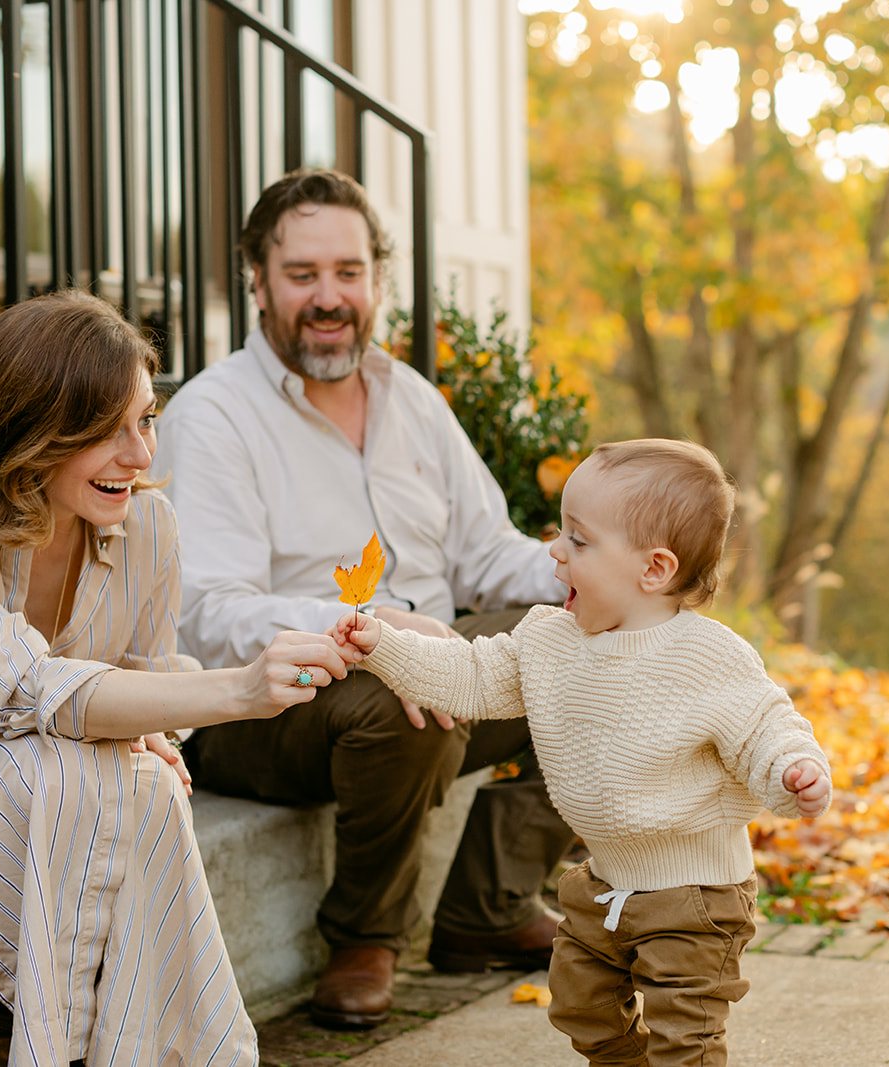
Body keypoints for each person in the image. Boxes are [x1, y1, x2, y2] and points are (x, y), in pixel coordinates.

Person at [0, 290, 352, 1067]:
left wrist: (145, 731)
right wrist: (238, 690)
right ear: (30, 429)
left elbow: (144, 692)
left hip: (53, 797)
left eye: (147, 418)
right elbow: (26, 692)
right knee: (60, 767)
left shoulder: (146, 523)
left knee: (135, 782)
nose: (142, 454)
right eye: (106, 431)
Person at [150, 168, 575, 1030]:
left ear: (377, 279)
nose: (328, 297)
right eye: (302, 275)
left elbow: (485, 550)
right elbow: (209, 612)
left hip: (426, 673)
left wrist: (582, 575)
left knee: (599, 636)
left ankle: (485, 904)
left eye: (348, 272)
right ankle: (365, 936)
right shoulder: (214, 416)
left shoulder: (412, 399)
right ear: (258, 281)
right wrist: (368, 631)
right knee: (401, 683)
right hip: (263, 711)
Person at [334, 438, 833, 1066]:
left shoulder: (709, 657)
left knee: (688, 1033)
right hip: (603, 883)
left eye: (579, 539)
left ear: (653, 569)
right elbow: (469, 674)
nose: (555, 550)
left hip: (697, 893)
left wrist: (794, 772)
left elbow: (766, 725)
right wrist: (383, 645)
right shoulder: (550, 640)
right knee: (579, 1006)